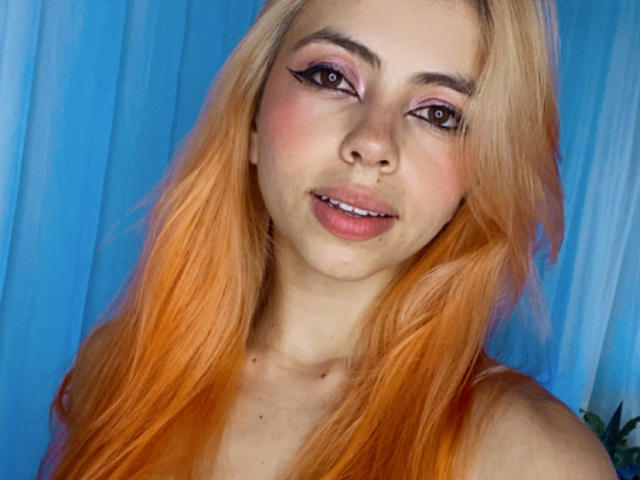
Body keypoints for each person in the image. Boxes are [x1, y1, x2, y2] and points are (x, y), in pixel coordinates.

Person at [39, 0, 617, 478]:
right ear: (252, 118)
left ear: (479, 175)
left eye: (439, 114)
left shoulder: (537, 461)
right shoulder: (116, 368)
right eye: (332, 77)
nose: (373, 143)